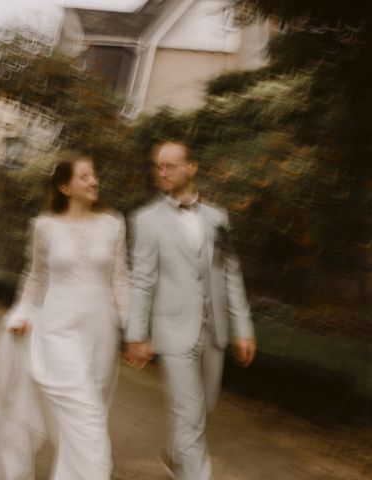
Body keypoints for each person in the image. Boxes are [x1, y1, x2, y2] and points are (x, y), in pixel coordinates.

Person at [0, 153, 129, 480]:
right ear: (64, 186)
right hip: (58, 332)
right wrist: (22, 312)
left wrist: (134, 330)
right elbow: (36, 277)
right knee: (86, 421)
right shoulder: (44, 226)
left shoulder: (113, 224)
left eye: (94, 174)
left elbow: (121, 280)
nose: (93, 181)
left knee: (88, 418)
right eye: (84, 176)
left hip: (102, 334)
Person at [124, 140, 256, 480]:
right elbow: (142, 281)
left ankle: (174, 452)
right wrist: (137, 335)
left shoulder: (218, 219)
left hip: (213, 332)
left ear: (191, 167)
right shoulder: (147, 220)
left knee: (203, 410)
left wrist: (243, 327)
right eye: (158, 166)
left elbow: (231, 275)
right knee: (190, 414)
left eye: (170, 165)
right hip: (173, 333)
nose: (162, 172)